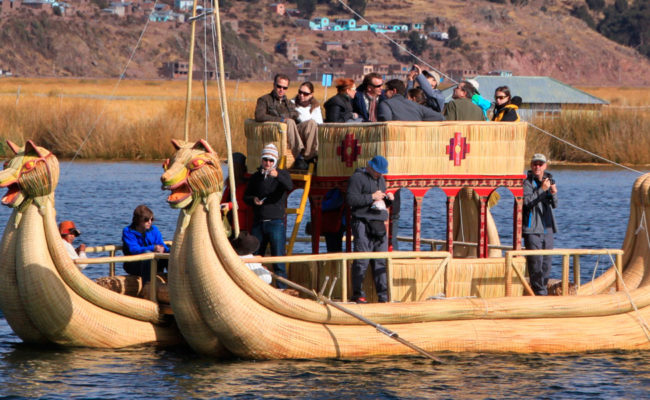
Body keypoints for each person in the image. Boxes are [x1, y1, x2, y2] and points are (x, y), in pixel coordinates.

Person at [243, 143, 293, 288]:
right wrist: (253, 200)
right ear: (261, 160)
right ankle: (256, 287)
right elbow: (246, 196)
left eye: (271, 160)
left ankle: (282, 288)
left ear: (275, 161)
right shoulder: (256, 177)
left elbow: (289, 186)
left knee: (278, 259)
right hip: (259, 222)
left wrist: (277, 176)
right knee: (256, 258)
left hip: (276, 222)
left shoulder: (282, 174)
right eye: (265, 160)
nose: (268, 163)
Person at [346, 155, 394, 303]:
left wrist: (389, 200)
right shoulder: (357, 178)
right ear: (370, 167)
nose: (379, 174)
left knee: (380, 260)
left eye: (381, 172)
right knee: (362, 259)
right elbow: (351, 200)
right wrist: (371, 196)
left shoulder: (381, 180)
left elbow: (381, 204)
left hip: (378, 222)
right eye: (377, 171)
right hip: (361, 222)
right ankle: (358, 293)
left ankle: (383, 296)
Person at [254, 74, 318, 170]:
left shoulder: (288, 103)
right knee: (290, 122)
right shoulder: (264, 100)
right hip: (277, 132)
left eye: (284, 88)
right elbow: (259, 116)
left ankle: (309, 156)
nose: (281, 90)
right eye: (279, 86)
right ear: (274, 85)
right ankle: (299, 155)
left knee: (311, 123)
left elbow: (296, 117)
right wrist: (281, 120)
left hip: (292, 131)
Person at [523, 153, 558, 296]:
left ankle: (542, 289)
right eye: (535, 164)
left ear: (545, 166)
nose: (537, 167)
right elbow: (526, 202)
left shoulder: (547, 181)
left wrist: (553, 192)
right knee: (535, 263)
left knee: (546, 263)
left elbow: (555, 204)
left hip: (547, 228)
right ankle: (539, 293)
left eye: (540, 164)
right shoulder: (526, 183)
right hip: (532, 230)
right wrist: (542, 190)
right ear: (531, 165)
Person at [122, 204, 169, 283]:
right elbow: (134, 250)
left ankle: (173, 281)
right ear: (138, 220)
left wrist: (163, 249)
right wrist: (153, 248)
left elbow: (161, 244)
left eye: (152, 219)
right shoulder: (128, 231)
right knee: (147, 254)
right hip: (135, 264)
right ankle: (147, 286)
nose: (150, 222)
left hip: (155, 262)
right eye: (146, 220)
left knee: (170, 252)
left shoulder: (154, 229)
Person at [377, 79, 443, 122]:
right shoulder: (416, 106)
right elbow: (440, 117)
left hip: (396, 140)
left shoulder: (385, 104)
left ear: (394, 91)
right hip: (415, 140)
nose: (384, 93)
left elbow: (385, 121)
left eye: (386, 90)